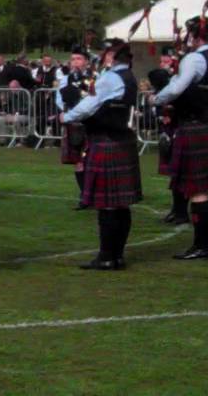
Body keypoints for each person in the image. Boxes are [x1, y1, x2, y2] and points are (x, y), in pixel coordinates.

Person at [61, 39, 140, 270]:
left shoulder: (111, 78)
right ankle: (117, 255)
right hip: (121, 140)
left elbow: (90, 106)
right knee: (121, 204)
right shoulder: (129, 77)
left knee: (106, 204)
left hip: (106, 141)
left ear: (112, 56)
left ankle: (107, 256)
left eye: (107, 53)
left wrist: (67, 116)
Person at [152, 16, 208, 260]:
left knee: (197, 190)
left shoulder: (195, 59)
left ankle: (202, 245)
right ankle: (202, 244)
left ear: (194, 36)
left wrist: (156, 99)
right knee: (201, 188)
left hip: (193, 126)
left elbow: (176, 88)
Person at [148, 47, 187, 224]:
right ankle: (176, 209)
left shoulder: (178, 84)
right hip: (168, 131)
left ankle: (182, 212)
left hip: (179, 129)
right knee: (174, 173)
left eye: (167, 61)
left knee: (181, 174)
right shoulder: (164, 84)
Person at [56, 47, 94, 209]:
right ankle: (84, 196)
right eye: (73, 59)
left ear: (86, 61)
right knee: (78, 162)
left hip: (91, 122)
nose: (75, 62)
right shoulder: (66, 79)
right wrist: (68, 109)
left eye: (79, 59)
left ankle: (92, 194)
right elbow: (59, 98)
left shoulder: (94, 78)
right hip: (73, 122)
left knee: (91, 160)